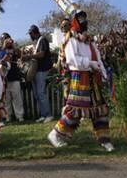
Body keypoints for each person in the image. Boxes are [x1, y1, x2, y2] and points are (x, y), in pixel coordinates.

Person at [47, 10, 115, 152]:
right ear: (75, 20)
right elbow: (73, 60)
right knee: (76, 110)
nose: (84, 21)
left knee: (100, 109)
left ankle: (104, 139)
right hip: (80, 76)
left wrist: (103, 73)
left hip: (93, 77)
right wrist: (90, 63)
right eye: (80, 18)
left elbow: (98, 58)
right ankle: (55, 134)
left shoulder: (90, 41)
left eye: (85, 18)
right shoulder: (71, 38)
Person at [23, 25, 54, 123]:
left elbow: (42, 54)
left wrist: (29, 56)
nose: (30, 36)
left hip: (42, 70)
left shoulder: (42, 40)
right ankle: (43, 114)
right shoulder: (36, 42)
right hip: (36, 70)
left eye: (30, 34)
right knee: (37, 94)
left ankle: (48, 115)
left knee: (41, 93)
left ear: (34, 32)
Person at [1, 35, 24, 122]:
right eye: (4, 39)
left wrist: (13, 46)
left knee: (17, 98)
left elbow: (20, 54)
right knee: (6, 99)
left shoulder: (14, 49)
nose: (6, 40)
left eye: (7, 38)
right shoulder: (1, 50)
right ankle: (8, 116)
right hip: (5, 78)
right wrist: (4, 46)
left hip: (15, 76)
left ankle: (19, 116)